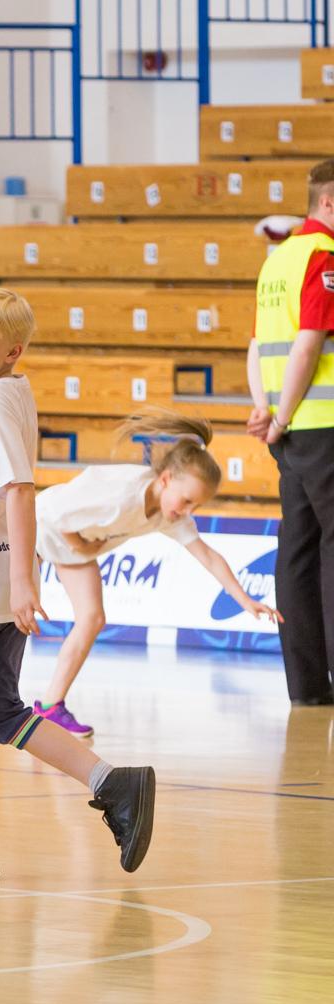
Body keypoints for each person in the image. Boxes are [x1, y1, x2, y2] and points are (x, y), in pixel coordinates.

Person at [0, 288, 156, 881]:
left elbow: (18, 490)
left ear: (13, 349)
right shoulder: (7, 391)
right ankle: (112, 783)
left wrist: (23, 582)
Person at [35, 409, 283, 736]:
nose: (188, 512)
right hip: (32, 530)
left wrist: (246, 600)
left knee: (93, 619)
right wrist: (78, 543)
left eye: (196, 506)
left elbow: (208, 556)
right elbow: (54, 512)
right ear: (165, 479)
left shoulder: (169, 514)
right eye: (187, 500)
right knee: (11, 617)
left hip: (71, 547)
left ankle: (51, 705)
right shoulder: (121, 493)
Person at [247, 158, 334, 707]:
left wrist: (266, 409)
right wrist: (279, 415)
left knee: (297, 551)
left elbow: (257, 346)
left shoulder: (278, 260)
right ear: (329, 203)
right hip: (322, 424)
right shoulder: (323, 256)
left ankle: (306, 687)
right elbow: (307, 343)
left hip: (290, 433)